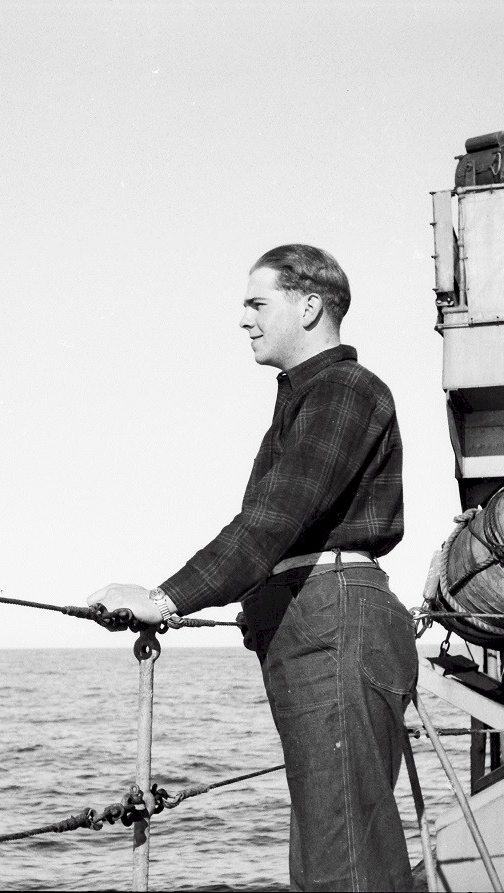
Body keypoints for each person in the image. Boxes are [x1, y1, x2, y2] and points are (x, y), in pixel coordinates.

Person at [88, 244, 418, 892]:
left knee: (342, 858)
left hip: (332, 620)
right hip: (317, 621)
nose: (244, 319)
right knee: (333, 845)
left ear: (310, 305)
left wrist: (166, 596)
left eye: (257, 303)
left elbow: (275, 519)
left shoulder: (344, 389)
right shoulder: (304, 400)